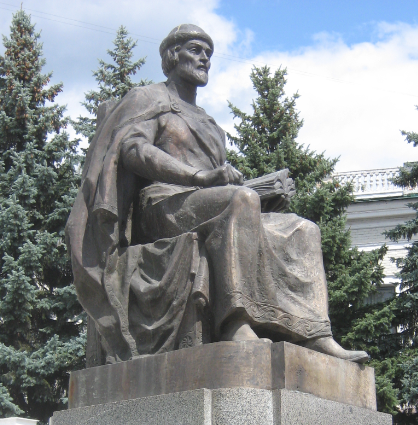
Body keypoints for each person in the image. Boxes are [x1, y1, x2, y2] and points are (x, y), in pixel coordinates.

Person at [66, 24, 368, 364]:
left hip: (207, 203)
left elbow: (220, 190)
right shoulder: (150, 99)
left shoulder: (209, 123)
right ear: (171, 55)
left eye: (208, 53)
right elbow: (135, 151)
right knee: (240, 200)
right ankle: (235, 322)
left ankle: (316, 332)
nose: (204, 58)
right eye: (195, 50)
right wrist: (201, 176)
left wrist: (262, 196)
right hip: (162, 207)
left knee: (302, 229)